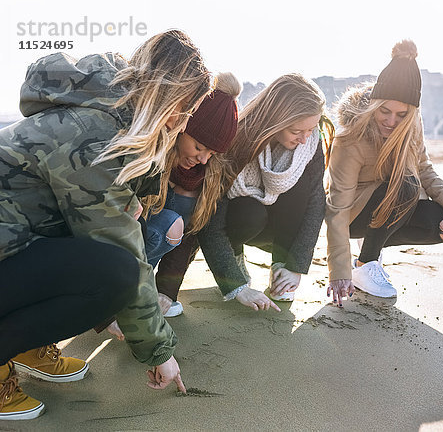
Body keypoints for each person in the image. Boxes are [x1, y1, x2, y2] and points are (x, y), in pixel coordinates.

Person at [0, 30, 210, 420]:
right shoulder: (93, 134)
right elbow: (120, 247)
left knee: (102, 256)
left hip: (12, 246)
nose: (183, 124)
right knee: (114, 274)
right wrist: (159, 351)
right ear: (173, 101)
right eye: (187, 110)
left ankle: (28, 346)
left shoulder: (102, 115)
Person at [154, 74, 334, 312]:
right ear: (277, 119)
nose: (304, 139)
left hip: (279, 226)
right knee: (250, 212)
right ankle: (235, 256)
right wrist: (235, 285)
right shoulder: (238, 141)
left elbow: (315, 202)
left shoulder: (310, 143)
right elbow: (209, 217)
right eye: (296, 131)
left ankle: (280, 268)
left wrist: (295, 265)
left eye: (311, 129)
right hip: (242, 223)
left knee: (302, 187)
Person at [325, 40, 443, 305]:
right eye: (384, 111)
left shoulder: (412, 126)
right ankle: (366, 264)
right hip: (355, 215)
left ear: (412, 112)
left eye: (401, 114)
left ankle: (371, 249)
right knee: (406, 184)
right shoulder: (350, 139)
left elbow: (424, 168)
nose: (392, 121)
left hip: (395, 203)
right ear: (374, 104)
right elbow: (337, 207)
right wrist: (339, 270)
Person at [145, 72, 240, 318]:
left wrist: (166, 291)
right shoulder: (150, 155)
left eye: (212, 152)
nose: (203, 159)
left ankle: (153, 292)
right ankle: (131, 292)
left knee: (180, 218)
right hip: (124, 254)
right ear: (181, 127)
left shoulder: (206, 174)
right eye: (199, 147)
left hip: (158, 249)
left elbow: (187, 236)